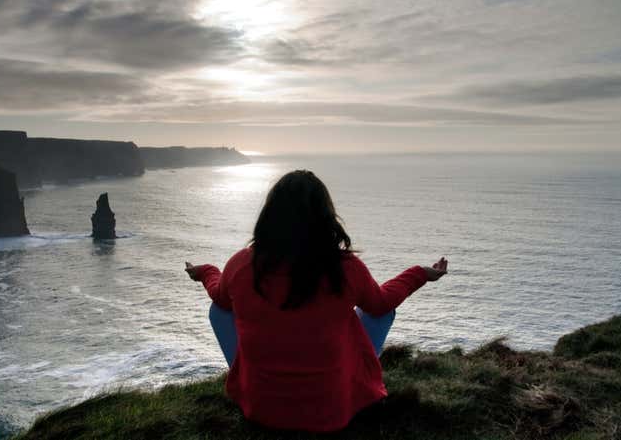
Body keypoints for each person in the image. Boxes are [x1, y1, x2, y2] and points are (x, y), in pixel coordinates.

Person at [185, 169, 448, 432]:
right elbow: (380, 303)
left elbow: (220, 295)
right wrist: (421, 273)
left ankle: (250, 382)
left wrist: (206, 271)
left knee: (221, 310)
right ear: (325, 217)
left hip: (261, 411)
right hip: (331, 414)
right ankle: (360, 384)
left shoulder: (241, 264)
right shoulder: (344, 268)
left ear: (270, 216)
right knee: (379, 312)